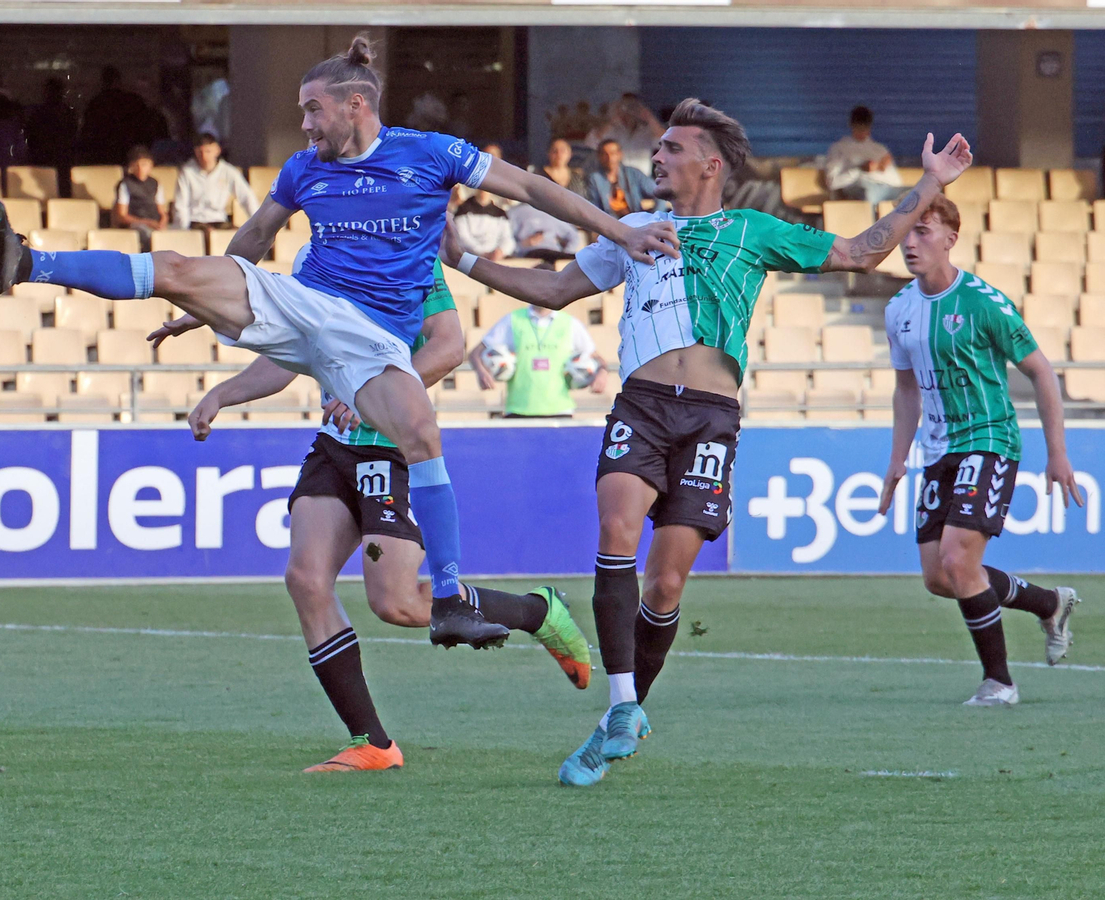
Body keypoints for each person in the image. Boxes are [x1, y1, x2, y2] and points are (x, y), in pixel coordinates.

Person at [0, 34, 677, 650]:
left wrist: (619, 230)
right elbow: (251, 244)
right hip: (305, 301)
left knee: (420, 435)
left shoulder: (429, 155)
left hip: (371, 339)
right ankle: (27, 263)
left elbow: (528, 188)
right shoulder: (305, 170)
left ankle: (455, 595)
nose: (303, 123)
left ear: (355, 106)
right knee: (177, 267)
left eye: (313, 110)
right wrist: (198, 302)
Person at [444, 98, 972, 786]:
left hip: (713, 419)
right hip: (642, 404)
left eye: (669, 148)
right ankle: (623, 703)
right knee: (617, 527)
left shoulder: (751, 230)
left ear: (709, 163)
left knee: (664, 584)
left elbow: (858, 251)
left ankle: (618, 725)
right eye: (656, 147)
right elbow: (554, 288)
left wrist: (931, 184)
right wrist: (464, 260)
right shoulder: (630, 228)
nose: (655, 157)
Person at [163, 259, 591, 771]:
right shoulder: (319, 259)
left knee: (397, 603)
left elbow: (449, 347)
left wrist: (371, 400)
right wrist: (221, 394)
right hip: (334, 448)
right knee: (305, 578)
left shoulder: (412, 259)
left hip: (390, 446)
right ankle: (373, 742)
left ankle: (536, 611)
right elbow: (292, 353)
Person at [876, 195, 1082, 707]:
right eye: (907, 232)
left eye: (923, 231)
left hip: (989, 439)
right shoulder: (899, 310)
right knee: (939, 577)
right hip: (938, 450)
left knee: (956, 558)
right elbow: (906, 390)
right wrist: (897, 457)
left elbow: (1040, 371)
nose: (910, 241)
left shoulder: (983, 302)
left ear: (951, 237)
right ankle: (1048, 602)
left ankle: (1000, 683)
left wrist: (1057, 452)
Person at [470, 305, 607, 416]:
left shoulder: (570, 323)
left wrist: (602, 372)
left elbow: (598, 359)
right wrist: (481, 371)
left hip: (560, 411)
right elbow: (474, 353)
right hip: (518, 410)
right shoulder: (513, 320)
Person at [173, 133, 259, 232]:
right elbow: (181, 204)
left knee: (240, 236)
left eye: (208, 151)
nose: (204, 156)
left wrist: (257, 224)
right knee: (209, 233)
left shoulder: (229, 171)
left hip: (219, 220)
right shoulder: (187, 172)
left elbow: (246, 197)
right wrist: (183, 229)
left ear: (217, 151)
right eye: (200, 152)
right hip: (195, 221)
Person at [825, 106, 903, 205]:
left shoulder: (880, 149)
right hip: (860, 187)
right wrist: (860, 169)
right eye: (858, 128)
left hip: (885, 187)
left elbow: (897, 183)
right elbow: (832, 182)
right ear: (851, 125)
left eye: (865, 128)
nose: (862, 132)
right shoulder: (839, 148)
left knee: (913, 194)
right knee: (867, 192)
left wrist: (883, 168)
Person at [79, 66, 157, 166]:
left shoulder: (97, 103)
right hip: (129, 153)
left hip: (103, 155)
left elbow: (88, 133)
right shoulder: (133, 101)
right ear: (118, 80)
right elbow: (145, 129)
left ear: (103, 82)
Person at [585, 94, 665, 176]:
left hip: (641, 180)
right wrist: (612, 120)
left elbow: (665, 140)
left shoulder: (647, 131)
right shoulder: (611, 130)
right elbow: (591, 143)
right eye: (624, 106)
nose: (628, 111)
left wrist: (648, 116)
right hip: (615, 179)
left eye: (632, 107)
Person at [27, 77, 78, 196]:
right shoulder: (67, 112)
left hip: (43, 159)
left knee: (44, 193)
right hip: (63, 160)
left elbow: (31, 138)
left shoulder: (38, 113)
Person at [586, 138, 660, 216]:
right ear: (599, 157)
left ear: (620, 154)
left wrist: (654, 217)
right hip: (609, 223)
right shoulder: (594, 178)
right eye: (605, 154)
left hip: (635, 221)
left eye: (613, 153)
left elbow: (659, 193)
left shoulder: (633, 173)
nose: (610, 158)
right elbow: (594, 207)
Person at [112, 146, 168, 250]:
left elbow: (162, 211)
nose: (140, 168)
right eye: (136, 165)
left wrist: (163, 221)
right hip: (136, 224)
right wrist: (147, 222)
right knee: (147, 234)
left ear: (150, 166)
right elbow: (122, 215)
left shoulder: (155, 183)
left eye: (144, 164)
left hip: (154, 222)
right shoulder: (125, 184)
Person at [449, 189, 515, 261]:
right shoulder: (463, 210)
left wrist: (501, 251)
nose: (484, 192)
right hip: (470, 257)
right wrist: (482, 253)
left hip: (496, 257)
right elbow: (462, 237)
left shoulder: (500, 213)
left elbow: (507, 238)